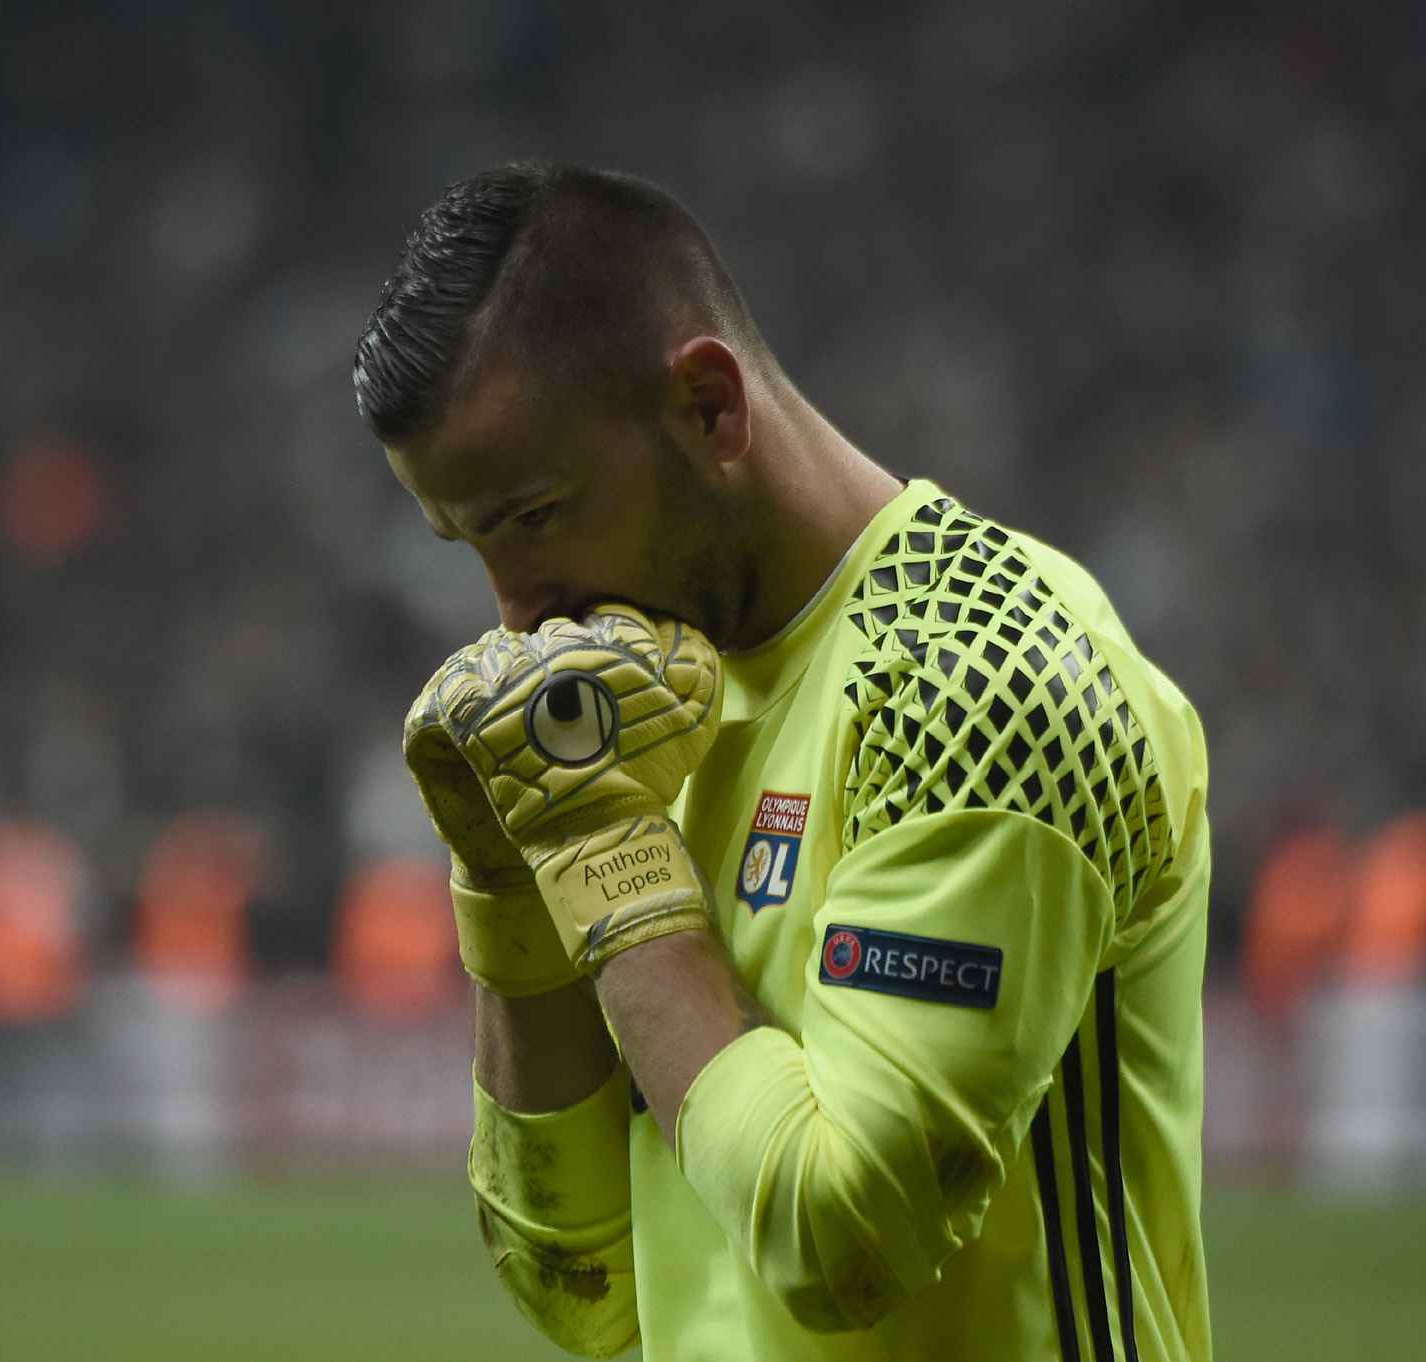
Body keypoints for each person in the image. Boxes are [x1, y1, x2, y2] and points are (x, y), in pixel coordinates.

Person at [355, 162, 1211, 1361]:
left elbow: (839, 1238)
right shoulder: (639, 702)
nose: (513, 618)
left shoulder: (980, 673)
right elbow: (582, 1286)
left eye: (532, 516)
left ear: (709, 407)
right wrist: (510, 874)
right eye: (468, 541)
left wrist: (603, 860)